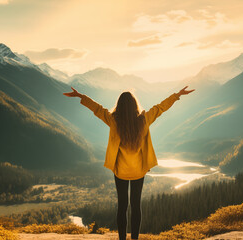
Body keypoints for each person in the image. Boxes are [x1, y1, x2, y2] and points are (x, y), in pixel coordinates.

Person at [63, 86, 194, 240]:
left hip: (120, 172)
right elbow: (160, 108)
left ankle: (122, 239)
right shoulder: (144, 120)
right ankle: (135, 239)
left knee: (122, 206)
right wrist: (177, 95)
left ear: (119, 106)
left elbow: (98, 109)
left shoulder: (114, 121)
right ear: (134, 105)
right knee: (136, 206)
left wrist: (81, 96)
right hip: (138, 171)